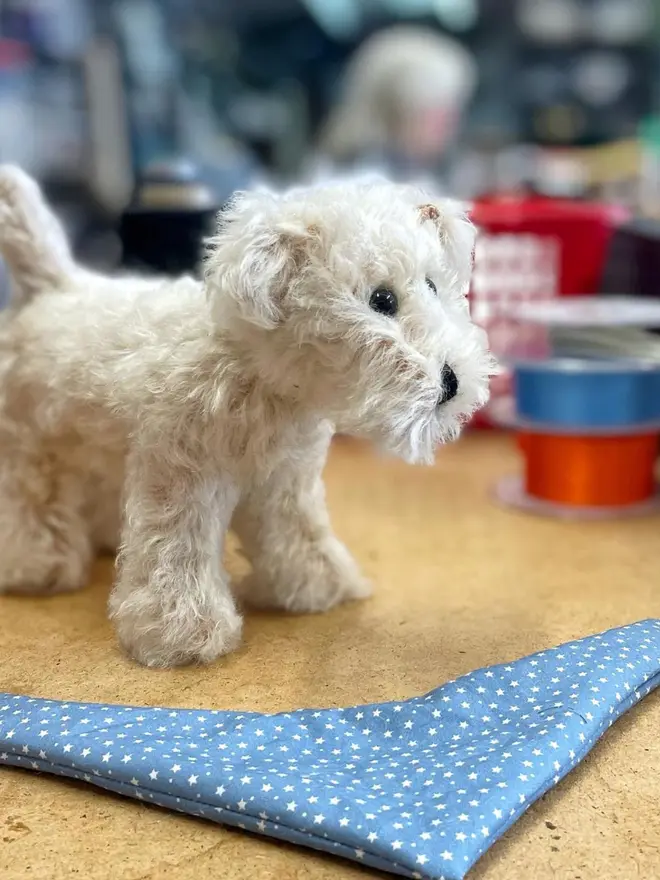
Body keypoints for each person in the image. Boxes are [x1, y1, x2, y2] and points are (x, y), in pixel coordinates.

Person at [314, 25, 477, 187]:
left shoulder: (419, 172)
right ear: (399, 112)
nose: (453, 124)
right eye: (442, 113)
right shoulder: (355, 185)